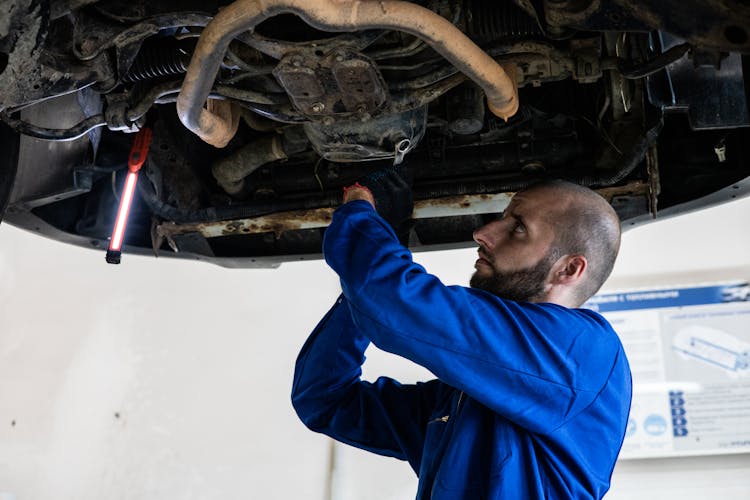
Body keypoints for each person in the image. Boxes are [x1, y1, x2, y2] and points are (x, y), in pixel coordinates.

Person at [291, 170, 632, 499]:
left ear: (569, 269)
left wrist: (361, 210)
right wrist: (362, 285)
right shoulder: (465, 403)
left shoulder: (583, 351)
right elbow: (324, 399)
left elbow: (390, 299)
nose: (484, 233)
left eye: (517, 228)